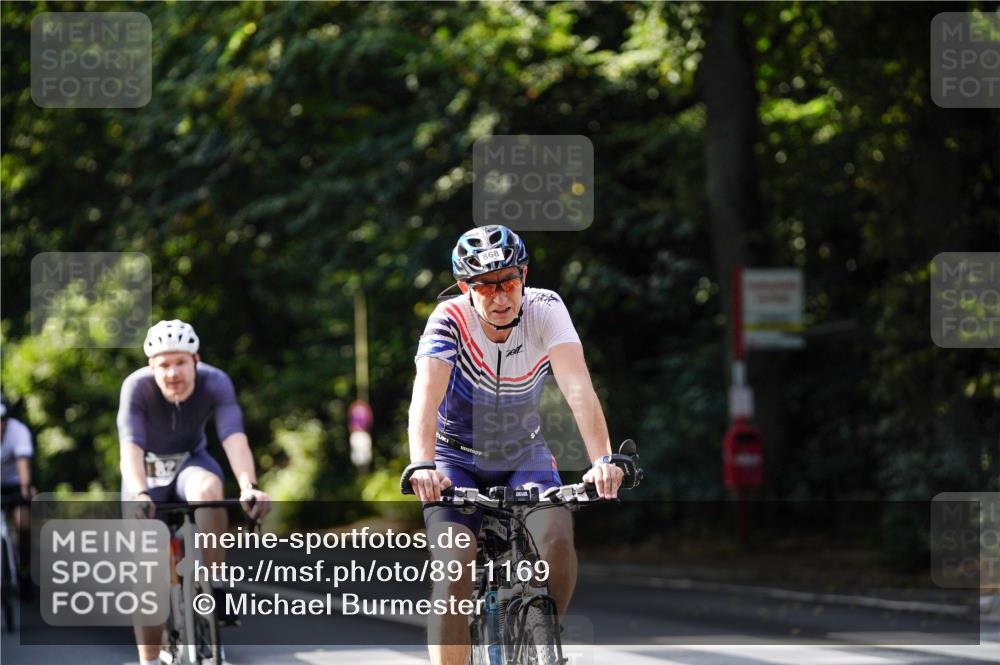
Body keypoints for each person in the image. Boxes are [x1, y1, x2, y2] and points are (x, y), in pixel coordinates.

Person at [407, 225, 624, 665]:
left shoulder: (546, 309)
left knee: (558, 541)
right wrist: (422, 464)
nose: (500, 296)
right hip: (454, 459)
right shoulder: (449, 320)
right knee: (455, 569)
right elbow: (425, 399)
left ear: (524, 275)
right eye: (486, 287)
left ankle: (544, 634)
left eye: (508, 282)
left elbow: (578, 386)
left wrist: (603, 458)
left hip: (524, 454)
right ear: (466, 288)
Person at [118, 319, 270, 665]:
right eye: (164, 365)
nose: (173, 373)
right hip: (147, 472)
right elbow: (130, 448)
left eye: (180, 362)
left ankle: (214, 582)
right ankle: (151, 660)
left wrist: (249, 486)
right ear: (150, 367)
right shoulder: (136, 388)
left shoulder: (216, 382)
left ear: (196, 360)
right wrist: (140, 494)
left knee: (209, 488)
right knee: (150, 572)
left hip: (190, 462)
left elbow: (233, 436)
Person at [1, 395, 35, 582]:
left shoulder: (18, 431)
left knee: (23, 523)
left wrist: (25, 490)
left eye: (2, 421)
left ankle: (25, 568)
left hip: (14, 484)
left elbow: (23, 465)